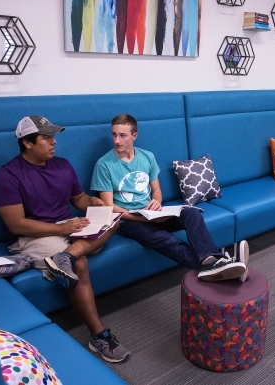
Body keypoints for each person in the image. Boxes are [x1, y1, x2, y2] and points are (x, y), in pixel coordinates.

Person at [0, 115, 130, 364]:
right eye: (47, 138)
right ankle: (99, 336)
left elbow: (78, 199)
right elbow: (16, 224)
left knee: (116, 217)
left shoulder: (63, 165)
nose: (54, 142)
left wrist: (93, 202)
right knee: (80, 264)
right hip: (31, 236)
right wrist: (62, 228)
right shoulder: (8, 176)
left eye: (53, 136)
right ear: (28, 143)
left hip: (68, 230)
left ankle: (65, 256)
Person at [90, 114, 249, 282]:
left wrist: (156, 202)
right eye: (114, 134)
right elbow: (109, 207)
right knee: (168, 240)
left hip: (152, 213)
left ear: (134, 136)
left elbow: (157, 190)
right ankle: (222, 266)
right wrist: (147, 220)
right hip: (129, 221)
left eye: (123, 135)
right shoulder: (104, 164)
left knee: (192, 213)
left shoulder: (147, 157)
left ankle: (211, 261)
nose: (117, 140)